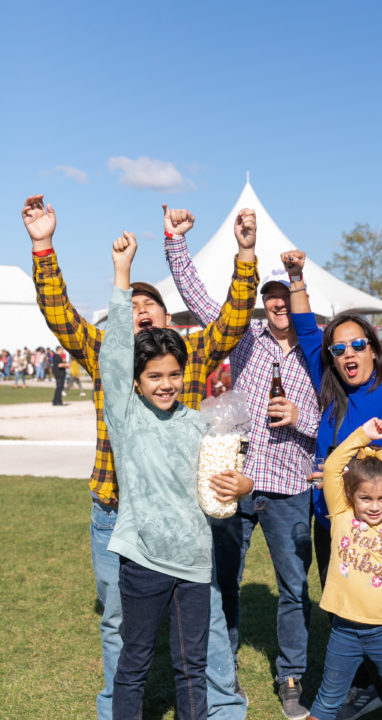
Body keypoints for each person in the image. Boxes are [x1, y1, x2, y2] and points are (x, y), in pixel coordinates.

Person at [21, 194, 257, 720]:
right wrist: (43, 244)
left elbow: (237, 317)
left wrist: (246, 256)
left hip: (186, 517)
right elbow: (59, 314)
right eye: (135, 304)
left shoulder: (190, 357)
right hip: (116, 512)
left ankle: (220, 709)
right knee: (118, 625)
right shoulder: (108, 357)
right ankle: (116, 708)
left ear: (170, 320)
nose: (143, 310)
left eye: (153, 304)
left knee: (208, 620)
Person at [163, 206, 320, 720]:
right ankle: (222, 663)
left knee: (294, 587)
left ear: (297, 302)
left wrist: (302, 417)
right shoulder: (246, 338)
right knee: (220, 579)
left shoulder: (317, 353)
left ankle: (291, 675)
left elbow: (337, 421)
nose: (277, 304)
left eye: (284, 297)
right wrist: (176, 242)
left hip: (291, 484)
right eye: (269, 298)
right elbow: (197, 297)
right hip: (238, 480)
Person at [100, 230, 253, 719]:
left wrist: (243, 485)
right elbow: (116, 351)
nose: (164, 385)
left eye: (172, 375)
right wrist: (122, 275)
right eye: (153, 376)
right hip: (142, 560)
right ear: (137, 383)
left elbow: (228, 478)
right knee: (136, 661)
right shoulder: (125, 416)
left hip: (192, 563)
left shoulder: (199, 425)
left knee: (191, 666)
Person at [284, 249, 382, 720]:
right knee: (344, 608)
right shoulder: (331, 394)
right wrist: (296, 276)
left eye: (357, 345)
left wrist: (357, 477)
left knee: (381, 608)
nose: (348, 355)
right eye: (338, 349)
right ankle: (361, 685)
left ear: (374, 349)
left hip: (379, 529)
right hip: (332, 528)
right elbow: (307, 333)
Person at [307, 418, 382, 720]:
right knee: (327, 700)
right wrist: (362, 436)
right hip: (344, 631)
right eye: (366, 498)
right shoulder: (342, 517)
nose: (375, 506)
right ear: (351, 496)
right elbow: (332, 468)